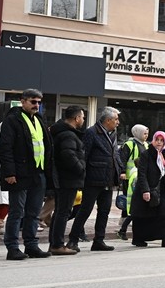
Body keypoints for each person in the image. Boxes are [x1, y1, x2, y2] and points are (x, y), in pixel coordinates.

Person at [0, 89, 53, 260]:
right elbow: (5, 148)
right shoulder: (12, 120)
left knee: (34, 212)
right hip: (20, 173)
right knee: (17, 212)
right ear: (23, 101)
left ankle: (31, 245)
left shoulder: (38, 119)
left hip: (38, 172)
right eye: (33, 102)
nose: (36, 105)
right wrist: (9, 172)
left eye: (39, 102)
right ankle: (12, 247)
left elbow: (45, 145)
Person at [68, 106, 120, 252]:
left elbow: (115, 154)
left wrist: (119, 170)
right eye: (116, 119)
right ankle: (73, 240)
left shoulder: (113, 133)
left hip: (108, 179)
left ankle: (99, 240)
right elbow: (84, 155)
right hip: (93, 179)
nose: (118, 122)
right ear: (108, 120)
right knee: (85, 210)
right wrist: (82, 177)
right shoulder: (92, 132)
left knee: (104, 211)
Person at [130, 131, 165, 248]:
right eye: (157, 140)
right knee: (143, 215)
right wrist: (145, 190)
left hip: (162, 189)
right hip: (148, 189)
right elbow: (142, 174)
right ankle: (138, 239)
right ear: (153, 140)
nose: (159, 142)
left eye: (161, 140)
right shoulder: (146, 155)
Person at [47, 105, 86, 255]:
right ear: (76, 118)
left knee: (59, 212)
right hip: (68, 179)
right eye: (82, 117)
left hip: (62, 178)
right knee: (63, 212)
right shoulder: (68, 135)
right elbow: (68, 155)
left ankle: (54, 243)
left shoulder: (61, 132)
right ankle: (57, 245)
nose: (83, 120)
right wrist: (81, 167)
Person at [115, 124, 149, 240]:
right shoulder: (129, 144)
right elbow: (122, 159)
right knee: (129, 201)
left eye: (147, 133)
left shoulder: (145, 145)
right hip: (130, 177)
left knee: (134, 203)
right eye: (144, 133)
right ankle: (124, 222)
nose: (146, 136)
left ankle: (126, 225)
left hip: (140, 177)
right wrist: (123, 172)